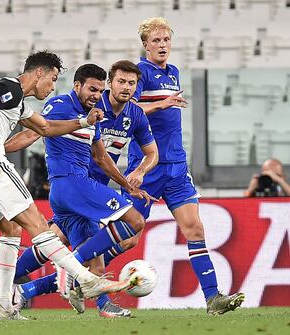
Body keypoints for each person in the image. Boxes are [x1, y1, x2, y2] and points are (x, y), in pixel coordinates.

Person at [0, 51, 134, 320]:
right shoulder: (8, 87)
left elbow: (45, 128)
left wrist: (83, 122)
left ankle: (3, 307)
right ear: (38, 74)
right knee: (38, 225)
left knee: (11, 231)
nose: (53, 86)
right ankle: (86, 279)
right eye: (53, 79)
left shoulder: (18, 104)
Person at [0, 61, 158, 318]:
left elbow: (101, 158)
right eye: (92, 89)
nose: (96, 95)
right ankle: (70, 267)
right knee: (134, 220)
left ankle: (101, 306)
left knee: (93, 261)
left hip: (76, 191)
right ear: (77, 85)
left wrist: (127, 186)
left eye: (99, 91)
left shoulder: (94, 117)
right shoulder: (60, 106)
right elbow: (33, 134)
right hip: (72, 184)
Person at [114, 17, 244, 315]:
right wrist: (161, 104)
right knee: (128, 237)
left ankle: (213, 299)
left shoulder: (173, 72)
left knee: (195, 228)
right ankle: (81, 277)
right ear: (145, 45)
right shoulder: (141, 73)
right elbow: (128, 109)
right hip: (146, 167)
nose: (162, 45)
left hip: (176, 166)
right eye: (156, 41)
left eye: (166, 40)